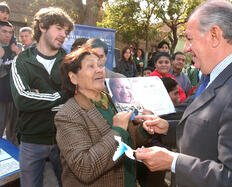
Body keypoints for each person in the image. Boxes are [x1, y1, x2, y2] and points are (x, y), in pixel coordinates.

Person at [135, 1, 232, 186]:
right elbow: (209, 125)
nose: (186, 48)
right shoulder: (221, 74)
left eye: (190, 39)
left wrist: (173, 162)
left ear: (214, 35)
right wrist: (167, 127)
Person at [55, 47, 157, 187]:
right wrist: (118, 130)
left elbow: (127, 141)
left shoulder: (111, 100)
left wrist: (144, 129)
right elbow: (85, 168)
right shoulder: (68, 115)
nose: (99, 70)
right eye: (91, 66)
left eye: (100, 65)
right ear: (73, 78)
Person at [10, 7, 74, 187]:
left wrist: (38, 97)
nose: (64, 34)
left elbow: (77, 97)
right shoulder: (22, 61)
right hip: (32, 140)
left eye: (66, 31)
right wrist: (62, 94)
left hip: (66, 139)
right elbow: (22, 100)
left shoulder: (71, 62)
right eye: (59, 28)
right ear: (43, 26)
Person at [0, 21, 17, 144]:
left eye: (10, 32)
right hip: (1, 97)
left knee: (14, 132)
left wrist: (17, 53)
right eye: (4, 31)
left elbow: (23, 70)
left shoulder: (15, 47)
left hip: (14, 96)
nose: (8, 35)